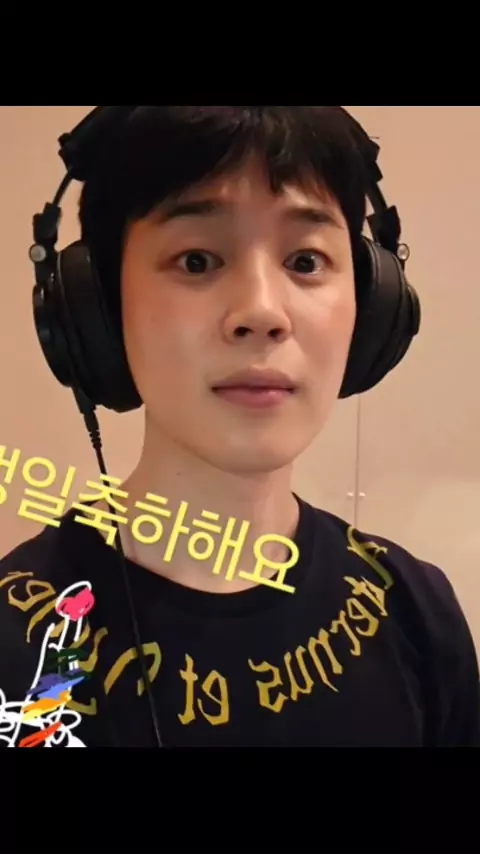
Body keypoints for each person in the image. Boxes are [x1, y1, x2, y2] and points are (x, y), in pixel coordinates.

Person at [0, 106, 478, 748]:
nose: (261, 311)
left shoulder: (416, 613)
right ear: (100, 308)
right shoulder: (15, 639)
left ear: (372, 306)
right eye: (197, 260)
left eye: (305, 260)